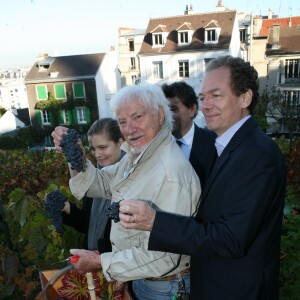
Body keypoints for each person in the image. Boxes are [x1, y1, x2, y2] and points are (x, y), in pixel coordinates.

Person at [119, 56, 287, 300]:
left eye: (216, 95)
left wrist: (155, 222)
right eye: (203, 97)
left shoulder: (256, 154)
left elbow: (229, 239)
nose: (206, 105)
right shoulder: (232, 146)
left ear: (245, 98)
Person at [51, 83, 201, 300]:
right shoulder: (137, 157)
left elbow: (165, 257)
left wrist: (100, 263)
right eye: (122, 122)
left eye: (137, 117)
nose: (129, 129)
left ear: (159, 115)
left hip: (164, 289)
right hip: (143, 280)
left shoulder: (171, 174)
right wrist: (75, 154)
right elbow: (99, 183)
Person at [61, 118, 125, 252]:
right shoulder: (94, 177)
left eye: (102, 147)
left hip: (119, 264)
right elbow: (87, 225)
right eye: (94, 149)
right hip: (94, 261)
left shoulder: (130, 178)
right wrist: (68, 209)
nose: (97, 155)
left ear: (120, 142)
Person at [162, 81, 216, 189]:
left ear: (192, 109)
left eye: (173, 110)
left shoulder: (214, 144)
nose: (167, 116)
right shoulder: (157, 145)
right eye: (165, 110)